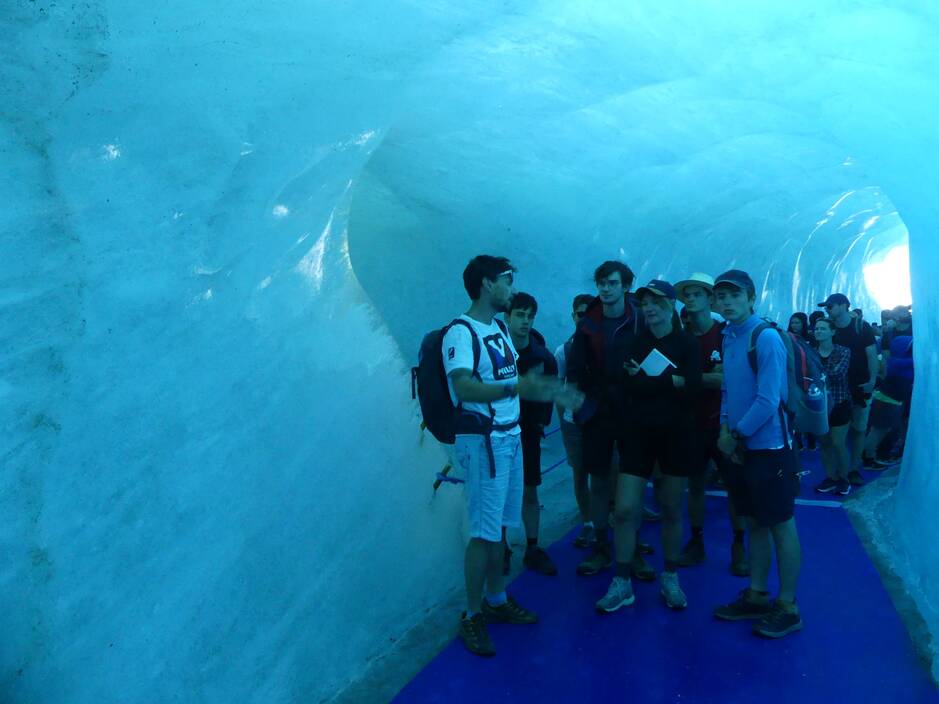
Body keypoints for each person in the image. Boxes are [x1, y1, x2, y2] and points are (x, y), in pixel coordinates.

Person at [444, 255, 580, 657]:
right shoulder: (461, 332)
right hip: (485, 441)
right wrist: (517, 389)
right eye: (506, 280)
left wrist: (540, 387)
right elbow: (464, 388)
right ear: (487, 284)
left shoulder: (499, 328)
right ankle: (471, 614)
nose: (511, 288)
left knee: (500, 528)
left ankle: (497, 599)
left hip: (509, 437)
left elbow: (512, 379)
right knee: (483, 534)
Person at [594, 280, 702, 613]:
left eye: (656, 301)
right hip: (637, 434)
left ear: (670, 305)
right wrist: (668, 382)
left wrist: (650, 380)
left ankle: (670, 575)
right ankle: (622, 580)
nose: (650, 307)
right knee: (625, 509)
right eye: (645, 302)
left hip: (675, 435)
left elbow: (694, 388)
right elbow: (627, 384)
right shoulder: (632, 342)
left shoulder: (686, 344)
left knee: (670, 508)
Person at [713, 269, 803, 639]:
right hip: (743, 449)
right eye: (722, 296)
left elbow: (770, 399)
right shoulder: (729, 336)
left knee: (781, 525)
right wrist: (724, 426)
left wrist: (735, 434)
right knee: (754, 522)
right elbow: (728, 390)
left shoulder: (764, 337)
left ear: (751, 297)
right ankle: (757, 594)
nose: (728, 301)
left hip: (770, 449)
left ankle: (788, 606)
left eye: (735, 295)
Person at [566, 261, 651, 580]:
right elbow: (574, 370)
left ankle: (633, 547)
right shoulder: (588, 322)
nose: (605, 288)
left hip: (632, 411)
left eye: (612, 283)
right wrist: (578, 409)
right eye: (601, 282)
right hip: (598, 412)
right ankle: (601, 546)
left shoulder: (641, 318)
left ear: (626, 286)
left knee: (632, 482)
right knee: (598, 480)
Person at [675, 273, 748, 576]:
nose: (691, 299)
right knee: (694, 485)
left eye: (697, 294)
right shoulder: (681, 337)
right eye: (687, 295)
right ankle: (696, 541)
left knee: (734, 486)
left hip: (723, 423)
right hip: (691, 424)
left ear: (710, 299)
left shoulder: (725, 334)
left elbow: (726, 380)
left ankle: (739, 544)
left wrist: (690, 380)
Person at [505, 292, 559, 576]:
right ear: (508, 317)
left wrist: (539, 425)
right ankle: (500, 546)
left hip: (526, 433)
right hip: (498, 434)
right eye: (520, 315)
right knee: (500, 491)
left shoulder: (543, 357)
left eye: (530, 316)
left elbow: (548, 394)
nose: (525, 322)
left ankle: (533, 547)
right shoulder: (496, 353)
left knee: (529, 489)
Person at [818, 293, 878, 486]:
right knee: (837, 436)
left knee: (858, 430)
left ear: (844, 305)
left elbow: (871, 355)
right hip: (837, 389)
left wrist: (872, 380)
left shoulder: (861, 327)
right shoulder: (831, 328)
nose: (828, 309)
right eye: (826, 307)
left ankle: (853, 469)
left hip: (859, 385)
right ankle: (838, 472)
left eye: (831, 306)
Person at [554, 293, 596, 547]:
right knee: (580, 474)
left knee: (605, 473)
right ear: (573, 316)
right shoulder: (563, 351)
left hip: (601, 421)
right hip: (575, 423)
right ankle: (588, 522)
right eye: (580, 314)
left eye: (588, 313)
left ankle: (604, 517)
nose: (584, 318)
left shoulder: (603, 344)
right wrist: (565, 422)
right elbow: (559, 390)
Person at [811, 318, 853, 495]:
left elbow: (838, 373)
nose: (818, 331)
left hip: (839, 402)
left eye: (822, 328)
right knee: (825, 443)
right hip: (819, 405)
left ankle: (844, 478)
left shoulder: (843, 351)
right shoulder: (812, 352)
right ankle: (831, 477)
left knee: (838, 443)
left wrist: (815, 373)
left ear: (832, 332)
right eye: (816, 328)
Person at [863, 332, 914, 468]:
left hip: (885, 399)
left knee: (878, 430)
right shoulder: (908, 365)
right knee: (878, 431)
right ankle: (868, 459)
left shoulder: (895, 362)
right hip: (889, 402)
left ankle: (868, 456)